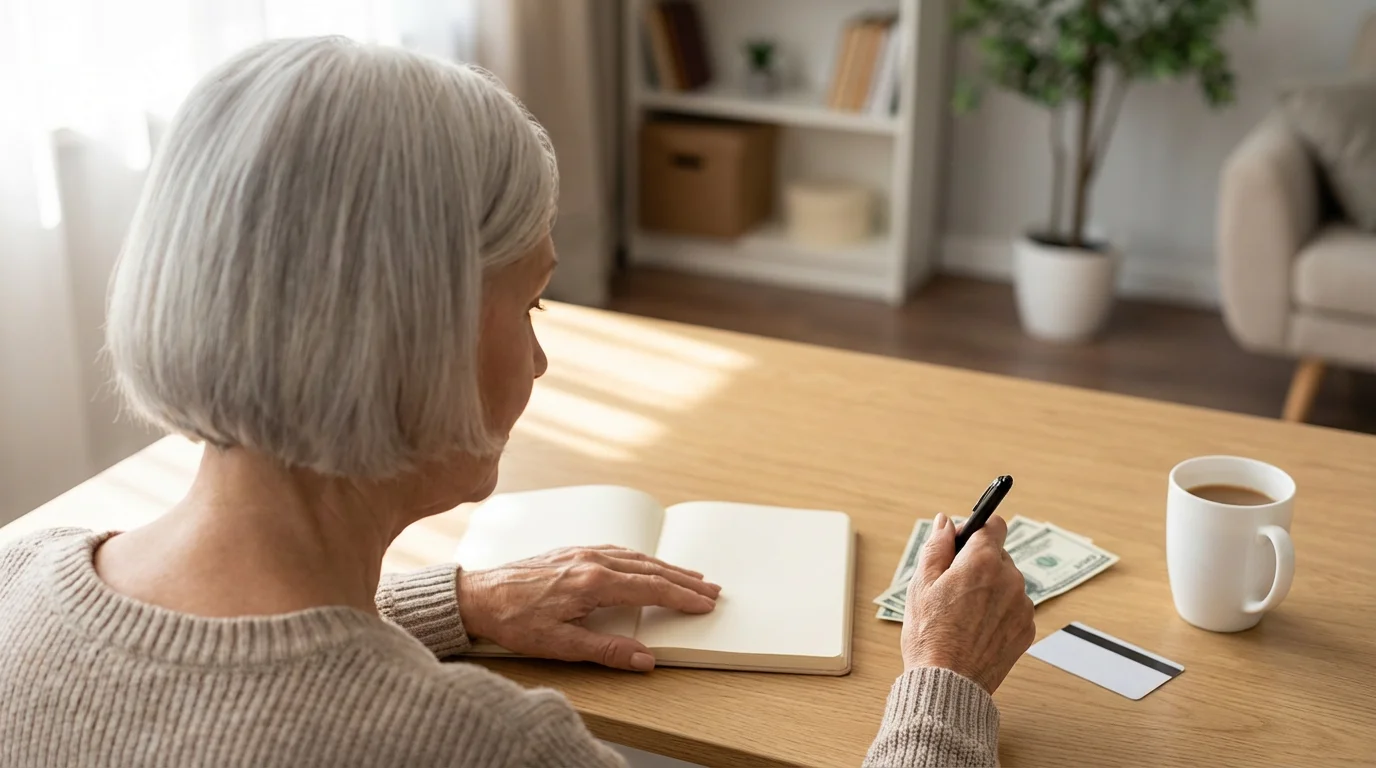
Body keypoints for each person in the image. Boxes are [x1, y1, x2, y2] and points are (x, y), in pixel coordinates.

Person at [0, 37, 1034, 767]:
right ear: (412, 330)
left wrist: (454, 604)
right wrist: (942, 686)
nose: (539, 362)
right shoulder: (479, 747)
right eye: (531, 301)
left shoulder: (18, 574)